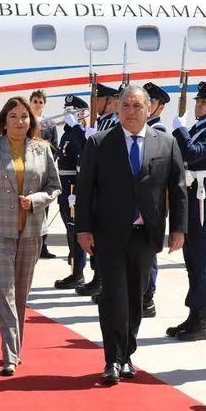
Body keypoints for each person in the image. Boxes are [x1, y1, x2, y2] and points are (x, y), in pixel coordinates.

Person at [75, 85, 187, 385]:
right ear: (118, 108)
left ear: (149, 109)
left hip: (145, 234)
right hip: (108, 233)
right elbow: (86, 188)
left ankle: (127, 356)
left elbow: (177, 189)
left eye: (138, 106)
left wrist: (179, 227)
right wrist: (83, 229)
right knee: (113, 297)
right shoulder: (100, 142)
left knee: (135, 299)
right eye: (125, 105)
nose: (131, 112)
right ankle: (112, 360)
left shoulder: (166, 143)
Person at [0, 96, 61, 376]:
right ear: (4, 121)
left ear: (31, 120)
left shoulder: (43, 150)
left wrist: (36, 200)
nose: (19, 122)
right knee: (4, 291)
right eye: (13, 117)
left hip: (31, 231)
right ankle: (10, 353)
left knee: (20, 293)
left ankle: (14, 346)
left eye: (24, 117)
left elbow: (54, 186)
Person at [167, 81, 206, 341]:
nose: (198, 106)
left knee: (201, 263)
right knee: (191, 262)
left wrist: (179, 130)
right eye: (198, 102)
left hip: (201, 202)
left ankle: (202, 320)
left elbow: (192, 154)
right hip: (189, 199)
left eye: (204, 103)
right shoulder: (197, 128)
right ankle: (193, 315)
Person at [77, 82, 121, 302]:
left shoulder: (113, 124)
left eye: (98, 99)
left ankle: (102, 279)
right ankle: (98, 276)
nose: (94, 103)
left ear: (110, 102)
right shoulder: (102, 122)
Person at [54, 95, 89, 290]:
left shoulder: (79, 134)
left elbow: (81, 162)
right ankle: (74, 269)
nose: (67, 114)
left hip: (74, 186)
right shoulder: (68, 134)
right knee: (69, 228)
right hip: (64, 186)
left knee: (75, 229)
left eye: (72, 111)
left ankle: (78, 272)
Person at [142, 81, 171, 318]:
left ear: (160, 107)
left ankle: (147, 298)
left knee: (148, 251)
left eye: (150, 101)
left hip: (151, 202)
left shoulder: (159, 132)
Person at [30, 89, 58, 259]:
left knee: (43, 209)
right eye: (35, 101)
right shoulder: (25, 122)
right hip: (28, 171)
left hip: (44, 173)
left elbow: (54, 146)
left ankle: (42, 245)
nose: (38, 104)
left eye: (41, 102)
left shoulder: (50, 124)